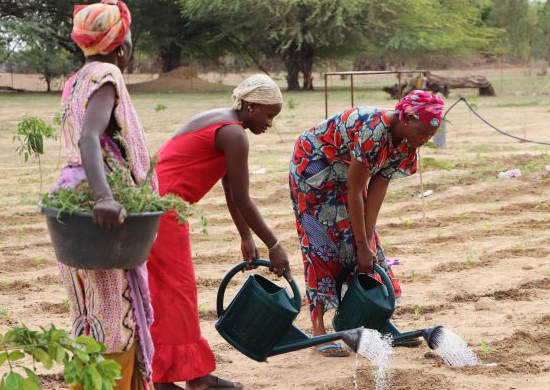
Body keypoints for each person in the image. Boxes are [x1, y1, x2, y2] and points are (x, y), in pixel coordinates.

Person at [147, 74, 291, 390]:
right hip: (163, 213)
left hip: (153, 208)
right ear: (250, 106)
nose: (269, 123)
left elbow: (230, 189)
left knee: (166, 295)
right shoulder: (234, 134)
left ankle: (173, 377)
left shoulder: (224, 123)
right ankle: (189, 380)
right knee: (178, 295)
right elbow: (242, 197)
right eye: (268, 115)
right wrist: (274, 244)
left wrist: (245, 235)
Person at [289, 90, 444, 356]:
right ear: (405, 118)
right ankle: (319, 331)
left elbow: (378, 186)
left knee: (366, 246)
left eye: (431, 135)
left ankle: (377, 323)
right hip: (315, 167)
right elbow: (354, 190)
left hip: (348, 172)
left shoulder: (408, 142)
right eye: (421, 131)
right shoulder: (374, 130)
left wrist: (367, 241)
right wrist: (361, 245)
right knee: (322, 246)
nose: (425, 139)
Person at [53, 0, 155, 389]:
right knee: (116, 321)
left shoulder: (76, 80)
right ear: (121, 46)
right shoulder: (105, 77)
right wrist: (104, 197)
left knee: (90, 315)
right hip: (98, 213)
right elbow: (89, 137)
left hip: (73, 214)